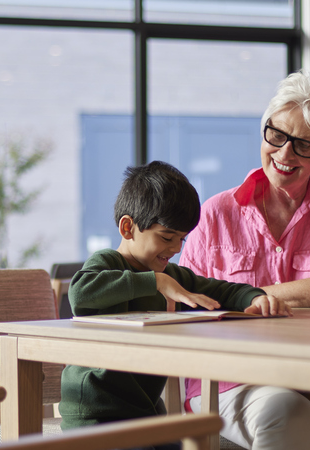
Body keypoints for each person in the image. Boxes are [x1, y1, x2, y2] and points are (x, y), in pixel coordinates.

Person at [59, 160, 290, 450]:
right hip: (95, 415)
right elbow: (80, 293)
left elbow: (218, 289)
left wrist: (255, 297)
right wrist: (154, 281)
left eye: (182, 239)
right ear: (128, 227)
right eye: (167, 237)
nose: (177, 248)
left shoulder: (174, 276)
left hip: (143, 414)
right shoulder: (107, 263)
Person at [179, 70, 310, 449]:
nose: (285, 153)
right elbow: (185, 303)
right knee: (288, 414)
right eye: (278, 135)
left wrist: (248, 295)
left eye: (303, 145)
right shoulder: (216, 213)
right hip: (227, 379)